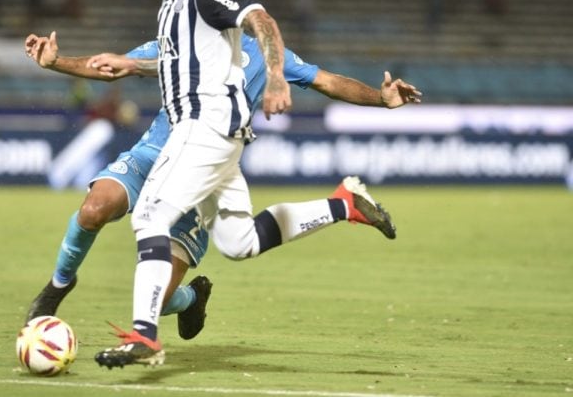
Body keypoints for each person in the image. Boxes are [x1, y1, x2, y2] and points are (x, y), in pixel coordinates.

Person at [26, 0, 421, 369]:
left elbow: (262, 19)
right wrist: (57, 62)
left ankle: (144, 336)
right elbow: (118, 65)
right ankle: (344, 205)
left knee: (150, 215)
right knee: (240, 242)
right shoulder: (173, 10)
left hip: (203, 127)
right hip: (219, 138)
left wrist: (276, 77)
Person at [23, 28, 419, 342]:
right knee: (94, 208)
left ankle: (191, 298)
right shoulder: (178, 40)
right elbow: (116, 66)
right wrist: (57, 62)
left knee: (158, 298)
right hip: (153, 155)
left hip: (204, 174)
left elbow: (327, 81)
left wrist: (380, 99)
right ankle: (58, 287)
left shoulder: (264, 57)